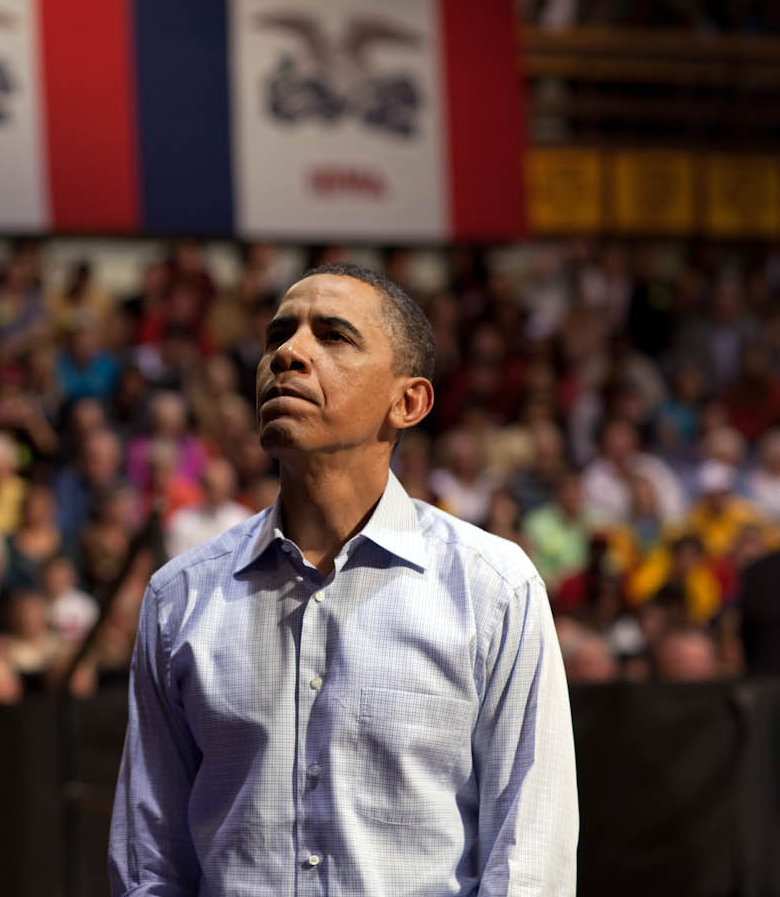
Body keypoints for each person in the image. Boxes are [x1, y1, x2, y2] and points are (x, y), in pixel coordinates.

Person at [110, 264, 576, 896]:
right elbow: (151, 866)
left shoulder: (494, 589)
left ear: (407, 401)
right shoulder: (180, 597)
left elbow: (529, 863)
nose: (288, 355)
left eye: (332, 336)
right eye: (279, 335)